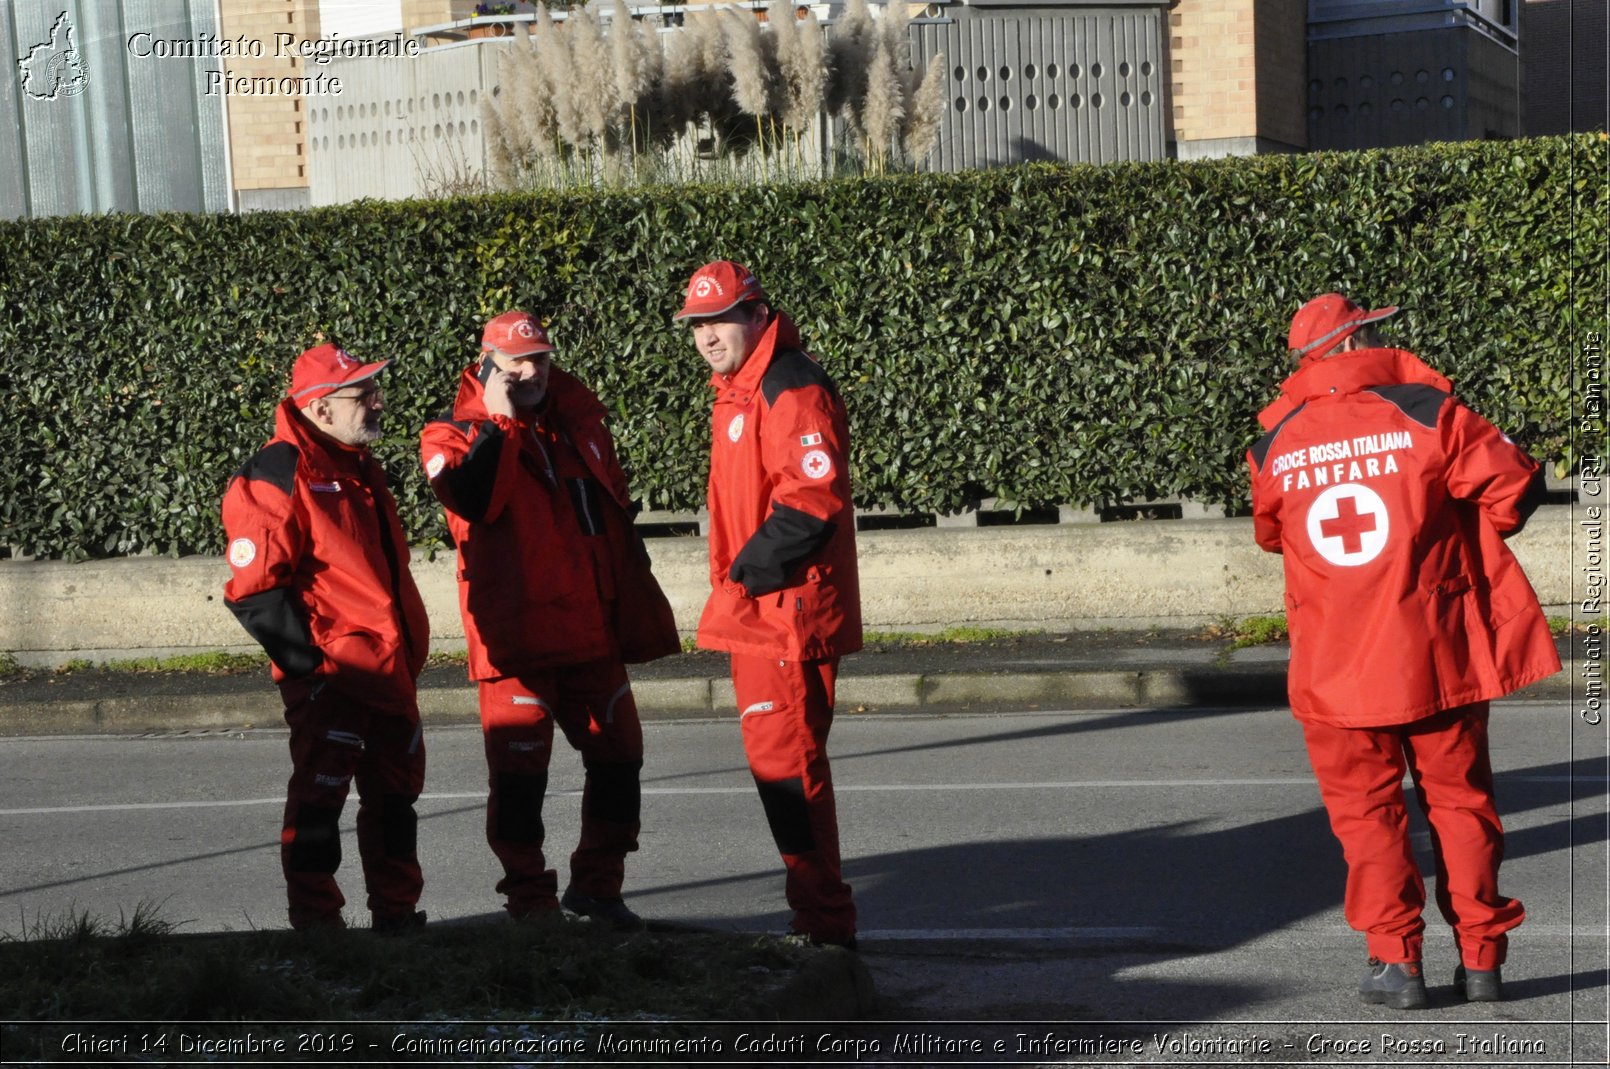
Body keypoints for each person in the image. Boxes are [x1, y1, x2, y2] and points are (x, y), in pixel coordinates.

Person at [1247, 293, 1561, 1008]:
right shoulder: (1429, 413)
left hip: (1335, 668)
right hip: (1436, 658)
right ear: (1362, 341)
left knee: (1368, 816)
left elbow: (1271, 534)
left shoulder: (1272, 443)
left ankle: (1397, 965)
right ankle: (1482, 959)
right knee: (1461, 803)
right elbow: (1519, 483)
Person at [419, 311, 679, 929]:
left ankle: (598, 887)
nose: (531, 370)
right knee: (519, 785)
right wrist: (501, 419)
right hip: (516, 644)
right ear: (487, 365)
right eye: (515, 361)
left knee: (621, 763)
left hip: (591, 632)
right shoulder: (449, 435)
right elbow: (475, 501)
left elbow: (611, 518)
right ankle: (530, 902)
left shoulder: (576, 424)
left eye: (539, 357)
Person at [673, 261, 862, 948]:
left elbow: (811, 504)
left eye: (718, 320)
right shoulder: (740, 388)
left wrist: (742, 580)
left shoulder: (787, 383)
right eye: (696, 325)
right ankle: (817, 917)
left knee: (790, 773)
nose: (706, 336)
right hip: (764, 612)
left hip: (783, 615)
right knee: (782, 772)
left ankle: (825, 927)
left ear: (757, 313)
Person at [222, 342, 430, 932]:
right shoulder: (277, 473)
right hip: (335, 677)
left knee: (395, 803)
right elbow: (255, 593)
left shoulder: (355, 464)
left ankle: (397, 917)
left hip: (387, 671)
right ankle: (317, 926)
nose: (377, 402)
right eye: (362, 394)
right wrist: (313, 672)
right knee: (319, 805)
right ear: (319, 407)